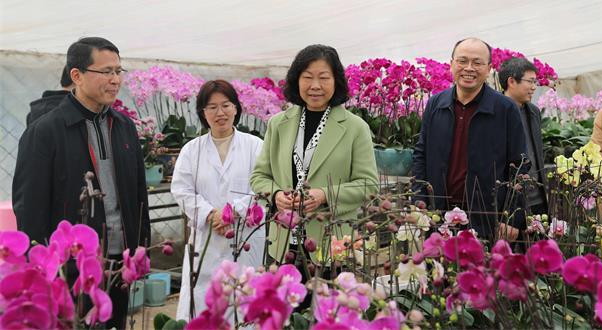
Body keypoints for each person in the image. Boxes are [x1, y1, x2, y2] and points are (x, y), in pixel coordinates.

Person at [12, 37, 150, 329]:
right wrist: (42, 267)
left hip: (119, 262)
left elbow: (139, 195)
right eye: (106, 72)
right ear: (76, 75)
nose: (115, 80)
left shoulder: (124, 127)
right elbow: (30, 207)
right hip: (70, 268)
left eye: (118, 71)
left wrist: (140, 251)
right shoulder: (45, 132)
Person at [250, 44, 379, 265]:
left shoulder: (355, 128)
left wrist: (325, 195)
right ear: (297, 80)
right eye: (308, 77)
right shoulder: (278, 124)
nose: (315, 86)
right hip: (283, 244)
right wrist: (276, 195)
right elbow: (259, 177)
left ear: (336, 81)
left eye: (324, 78)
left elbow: (369, 185)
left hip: (332, 244)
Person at [411, 38, 528, 241]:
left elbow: (520, 165)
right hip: (439, 214)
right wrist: (419, 201)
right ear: (451, 64)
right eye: (462, 61)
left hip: (486, 216)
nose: (469, 68)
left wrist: (512, 216)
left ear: (489, 68)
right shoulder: (436, 104)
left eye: (477, 62)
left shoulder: (505, 109)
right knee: (438, 261)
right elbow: (421, 155)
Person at [171, 80, 265, 321]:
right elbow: (181, 189)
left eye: (226, 105)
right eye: (212, 107)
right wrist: (211, 214)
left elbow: (263, 187)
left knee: (243, 305)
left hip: (244, 238)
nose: (220, 113)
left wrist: (232, 213)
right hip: (206, 240)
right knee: (202, 305)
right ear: (203, 113)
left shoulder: (256, 146)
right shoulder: (191, 150)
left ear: (236, 108)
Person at [498, 57, 548, 214]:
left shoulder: (533, 111)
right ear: (511, 81)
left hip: (538, 198)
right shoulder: (496, 111)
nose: (534, 87)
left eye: (535, 82)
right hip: (510, 200)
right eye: (530, 81)